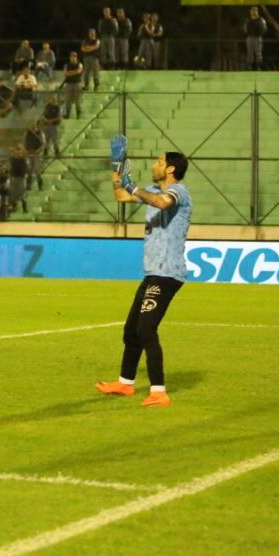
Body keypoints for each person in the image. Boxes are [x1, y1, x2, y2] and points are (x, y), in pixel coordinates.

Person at [96, 144, 192, 407]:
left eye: (159, 161)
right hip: (153, 273)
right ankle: (125, 383)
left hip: (167, 273)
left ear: (170, 169)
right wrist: (117, 169)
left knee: (146, 329)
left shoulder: (178, 192)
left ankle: (159, 392)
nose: (154, 165)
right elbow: (121, 196)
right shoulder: (151, 191)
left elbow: (161, 203)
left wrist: (132, 185)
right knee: (131, 331)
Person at [244, 6, 267, 70]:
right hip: (250, 37)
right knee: (249, 52)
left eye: (255, 10)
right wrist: (248, 33)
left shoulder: (261, 20)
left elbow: (264, 28)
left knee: (258, 53)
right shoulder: (248, 20)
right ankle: (249, 66)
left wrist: (260, 34)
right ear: (250, 12)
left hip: (257, 37)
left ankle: (258, 67)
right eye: (252, 10)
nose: (254, 12)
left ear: (257, 12)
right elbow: (245, 28)